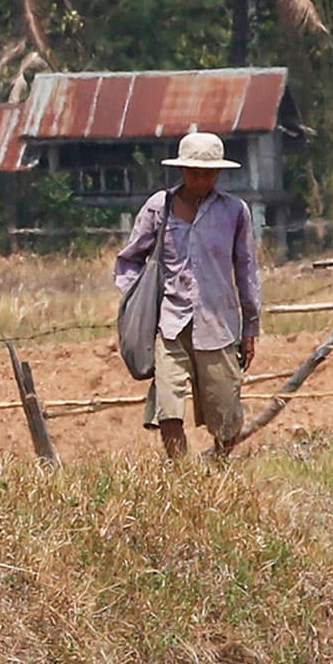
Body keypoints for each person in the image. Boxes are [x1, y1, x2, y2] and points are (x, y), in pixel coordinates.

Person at [114, 130, 261, 461]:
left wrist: (250, 328)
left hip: (218, 327)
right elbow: (129, 260)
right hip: (170, 326)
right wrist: (139, 303)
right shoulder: (159, 207)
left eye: (209, 173)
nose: (202, 179)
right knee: (169, 410)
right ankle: (181, 478)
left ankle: (219, 468)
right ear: (181, 170)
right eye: (195, 172)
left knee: (226, 415)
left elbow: (247, 271)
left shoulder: (235, 211)